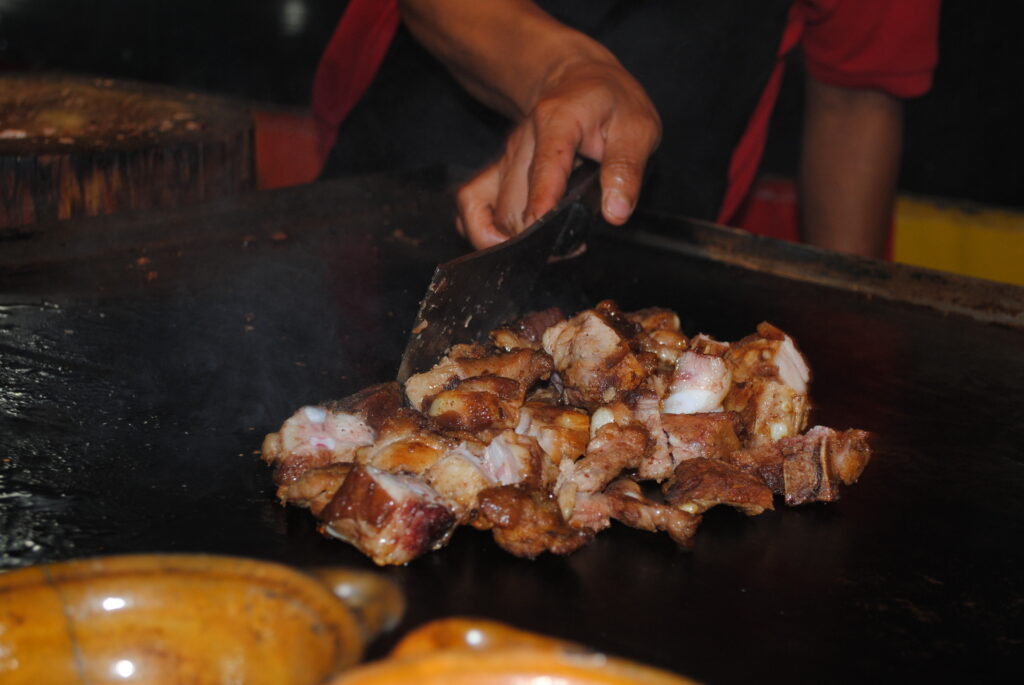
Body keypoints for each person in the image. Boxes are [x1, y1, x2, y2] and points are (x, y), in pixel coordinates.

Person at [313, 0, 940, 259]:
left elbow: (857, 99)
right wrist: (562, 69)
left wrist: (844, 337)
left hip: (672, 236)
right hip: (393, 179)